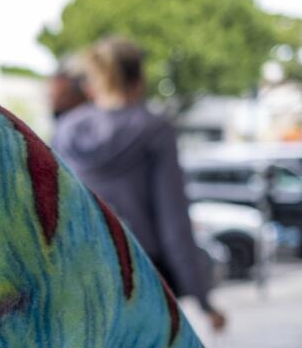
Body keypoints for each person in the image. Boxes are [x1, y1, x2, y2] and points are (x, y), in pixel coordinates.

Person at [53, 38, 226, 331]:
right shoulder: (154, 129)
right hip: (144, 278)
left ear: (93, 82)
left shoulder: (67, 131)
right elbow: (174, 223)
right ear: (140, 79)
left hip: (83, 280)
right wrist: (203, 300)